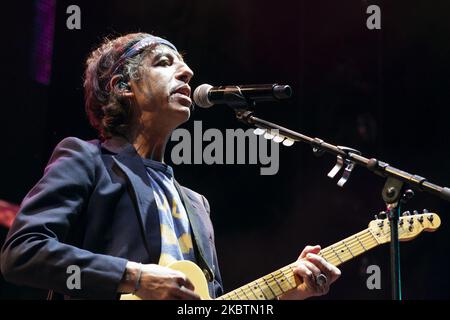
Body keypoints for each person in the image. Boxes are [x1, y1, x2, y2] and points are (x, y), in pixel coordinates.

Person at [0, 33, 340, 300]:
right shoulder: (86, 159)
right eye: (164, 62)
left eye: (184, 65)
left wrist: (286, 294)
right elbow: (22, 251)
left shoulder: (197, 205)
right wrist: (135, 277)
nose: (187, 72)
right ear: (122, 86)